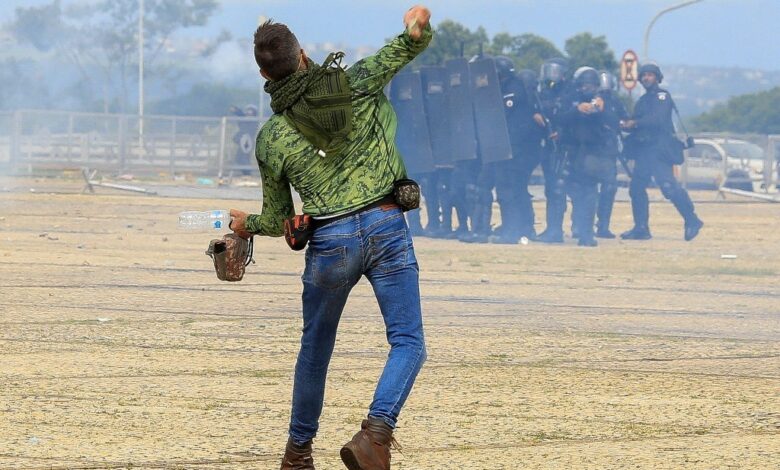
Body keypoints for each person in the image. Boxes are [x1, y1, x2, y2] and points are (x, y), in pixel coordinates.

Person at [228, 6, 432, 469]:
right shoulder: (355, 82)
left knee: (315, 351)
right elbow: (405, 47)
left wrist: (245, 224)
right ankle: (375, 434)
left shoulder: (271, 138)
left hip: (329, 241)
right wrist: (417, 27)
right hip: (387, 225)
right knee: (408, 342)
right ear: (303, 55)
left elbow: (278, 218)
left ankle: (298, 454)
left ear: (263, 74)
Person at [620, 63, 704, 241]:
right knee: (636, 188)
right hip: (644, 151)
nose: (646, 78)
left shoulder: (662, 96)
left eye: (650, 75)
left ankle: (692, 219)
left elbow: (657, 119)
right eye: (643, 75)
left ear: (657, 78)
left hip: (659, 150)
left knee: (668, 187)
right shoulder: (642, 101)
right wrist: (625, 124)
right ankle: (641, 227)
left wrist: (635, 123)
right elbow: (635, 122)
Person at [559, 66, 620, 247]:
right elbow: (560, 119)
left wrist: (602, 109)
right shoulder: (570, 99)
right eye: (584, 85)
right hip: (573, 153)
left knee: (590, 193)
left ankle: (586, 232)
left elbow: (616, 122)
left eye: (591, 85)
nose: (587, 88)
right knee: (572, 191)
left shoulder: (605, 101)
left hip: (594, 154)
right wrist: (577, 109)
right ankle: (577, 226)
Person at [490, 57, 541, 243]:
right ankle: (524, 228)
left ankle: (511, 231)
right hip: (516, 149)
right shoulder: (514, 87)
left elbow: (505, 116)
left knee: (508, 190)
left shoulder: (512, 90)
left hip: (514, 150)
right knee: (517, 189)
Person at [534, 57, 571, 244]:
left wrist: (562, 132)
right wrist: (536, 114)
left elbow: (571, 117)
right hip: (547, 145)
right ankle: (552, 228)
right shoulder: (543, 93)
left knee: (558, 188)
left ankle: (556, 229)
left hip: (563, 147)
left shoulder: (569, 92)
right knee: (551, 187)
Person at [594, 71, 628, 239]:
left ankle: (603, 225)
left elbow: (625, 119)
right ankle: (580, 224)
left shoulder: (615, 102)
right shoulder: (591, 100)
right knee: (587, 187)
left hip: (609, 151)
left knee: (609, 188)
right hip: (591, 149)